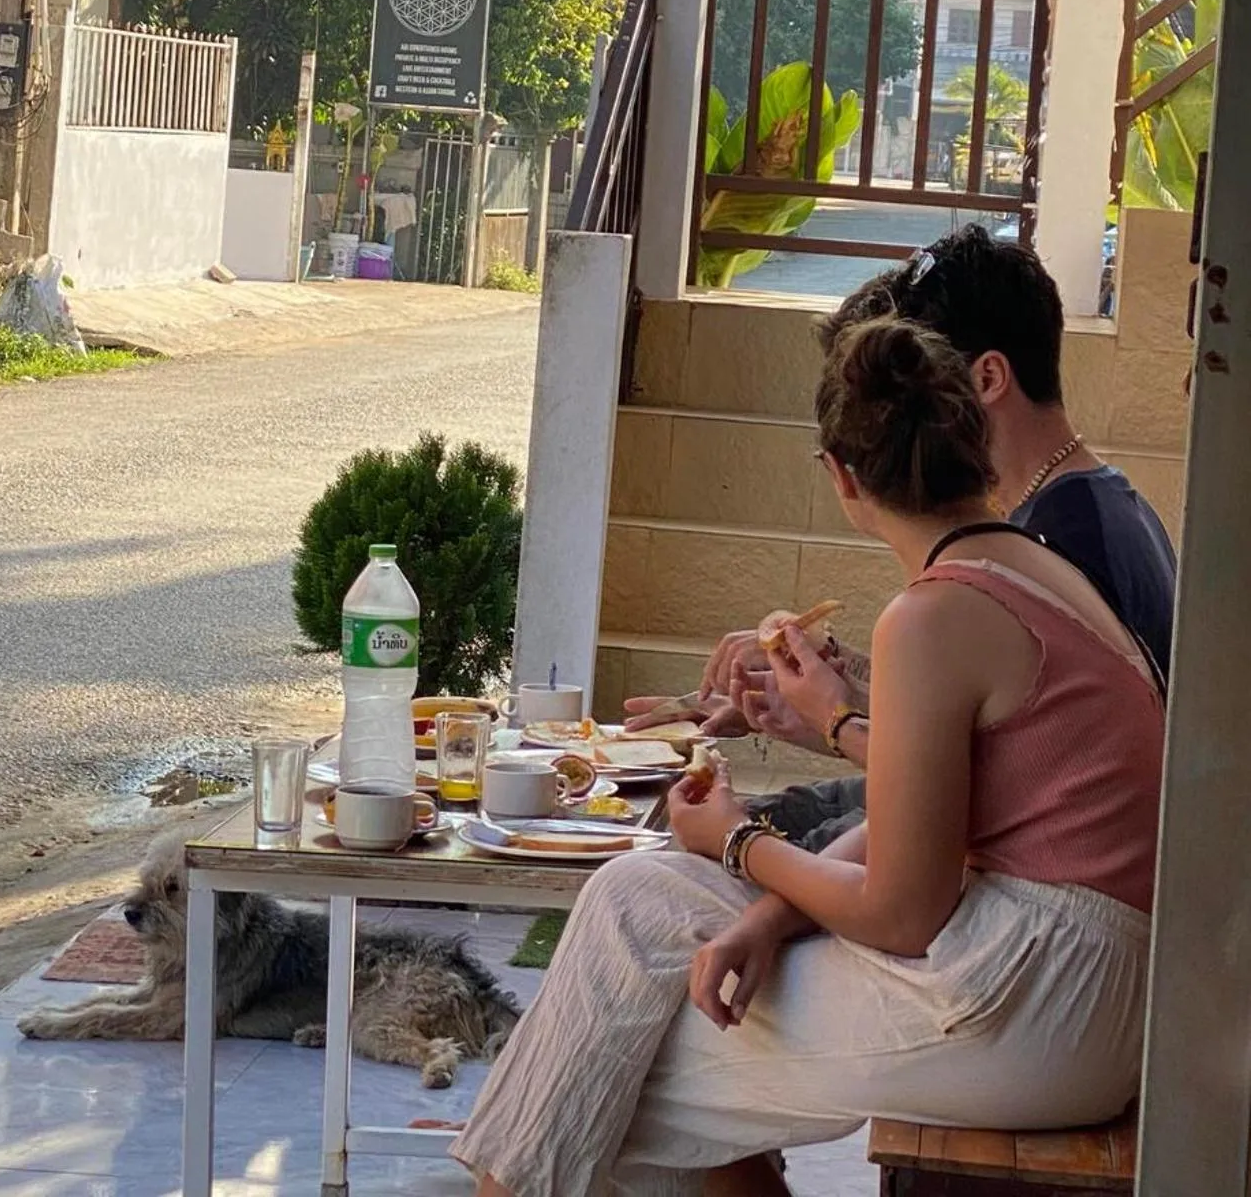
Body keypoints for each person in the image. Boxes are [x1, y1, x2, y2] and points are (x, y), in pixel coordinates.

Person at [454, 317, 1164, 1197]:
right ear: (975, 446)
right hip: (1089, 982)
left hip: (1037, 998)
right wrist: (765, 915)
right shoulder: (1042, 574)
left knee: (612, 1063)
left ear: (841, 476)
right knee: (634, 906)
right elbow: (926, 823)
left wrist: (737, 841)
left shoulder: (934, 615)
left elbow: (903, 910)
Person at [626, 227, 1175, 840]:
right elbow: (985, 731)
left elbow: (991, 791)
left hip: (1027, 884)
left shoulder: (1067, 540)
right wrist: (811, 694)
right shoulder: (1075, 506)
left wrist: (828, 722)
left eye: (909, 378)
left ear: (987, 378)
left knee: (681, 864)